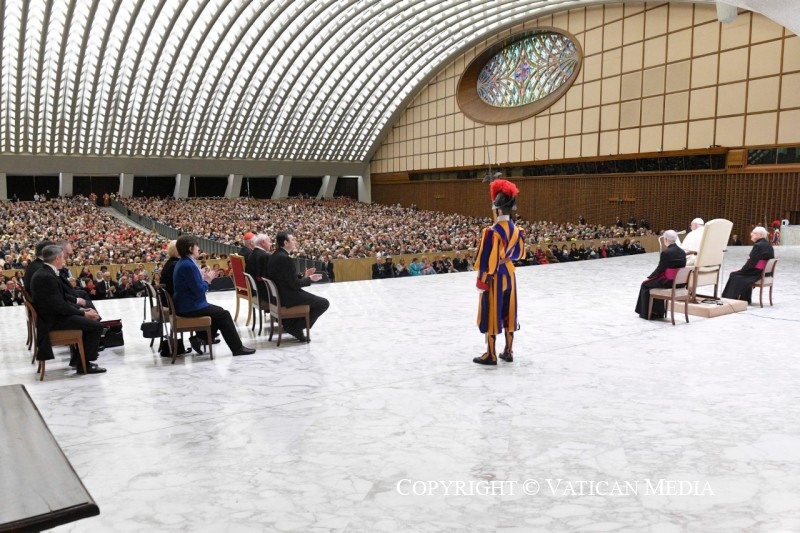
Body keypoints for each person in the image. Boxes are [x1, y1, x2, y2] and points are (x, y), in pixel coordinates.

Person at [172, 235, 255, 356]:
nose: (198, 248)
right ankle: (237, 348)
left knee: (218, 312)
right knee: (224, 315)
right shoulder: (188, 265)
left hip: (186, 303)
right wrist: (208, 280)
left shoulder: (184, 262)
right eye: (196, 246)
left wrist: (202, 277)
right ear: (190, 248)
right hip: (190, 306)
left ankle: (201, 338)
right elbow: (199, 290)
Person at [29, 245, 106, 374]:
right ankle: (84, 364)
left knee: (90, 319)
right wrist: (83, 313)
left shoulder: (45, 272)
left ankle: (78, 360)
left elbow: (61, 301)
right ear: (57, 258)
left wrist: (83, 311)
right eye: (63, 257)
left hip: (52, 315)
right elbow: (60, 306)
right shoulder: (46, 276)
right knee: (96, 326)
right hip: (52, 320)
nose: (65, 259)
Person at [473, 179, 525, 365]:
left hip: (495, 276)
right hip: (510, 273)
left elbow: (487, 260)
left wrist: (482, 280)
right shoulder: (518, 231)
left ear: (498, 210)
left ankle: (491, 354)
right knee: (509, 311)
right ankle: (509, 351)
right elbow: (520, 254)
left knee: (492, 311)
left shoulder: (491, 231)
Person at [266, 231, 329, 342]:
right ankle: (296, 327)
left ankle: (294, 325)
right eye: (293, 239)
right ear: (286, 242)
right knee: (323, 303)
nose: (295, 241)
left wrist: (304, 275)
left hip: (281, 294)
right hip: (289, 296)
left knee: (316, 301)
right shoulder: (285, 259)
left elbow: (288, 278)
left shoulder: (275, 256)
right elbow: (295, 284)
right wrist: (310, 279)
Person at [634, 230, 687, 320]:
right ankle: (659, 312)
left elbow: (660, 269)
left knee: (645, 285)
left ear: (665, 240)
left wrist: (649, 277)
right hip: (679, 283)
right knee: (653, 284)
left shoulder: (666, 253)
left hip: (669, 282)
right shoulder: (682, 252)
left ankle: (646, 314)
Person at [721, 226, 774, 303]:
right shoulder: (768, 245)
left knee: (734, 275)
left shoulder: (758, 246)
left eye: (754, 233)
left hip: (756, 272)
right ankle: (744, 298)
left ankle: (729, 298)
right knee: (738, 274)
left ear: (760, 235)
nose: (751, 234)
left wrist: (742, 270)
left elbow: (752, 263)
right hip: (764, 272)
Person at [246, 233, 272, 301]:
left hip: (255, 290)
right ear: (263, 242)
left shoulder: (252, 253)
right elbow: (267, 277)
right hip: (264, 293)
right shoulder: (265, 256)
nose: (271, 244)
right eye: (269, 241)